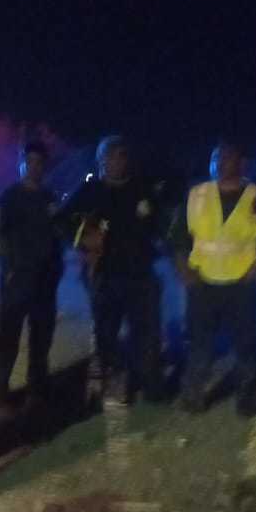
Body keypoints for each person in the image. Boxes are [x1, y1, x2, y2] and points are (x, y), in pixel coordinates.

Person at [168, 139, 256, 416]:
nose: (220, 164)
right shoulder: (197, 195)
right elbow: (176, 238)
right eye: (216, 159)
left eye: (227, 158)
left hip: (241, 284)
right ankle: (193, 398)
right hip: (202, 282)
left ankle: (248, 399)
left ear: (241, 163)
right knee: (199, 344)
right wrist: (184, 272)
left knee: (246, 344)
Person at [56, 136, 165, 405]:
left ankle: (150, 387)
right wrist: (83, 241)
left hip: (141, 274)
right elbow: (60, 221)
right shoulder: (90, 191)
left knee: (147, 333)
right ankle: (116, 388)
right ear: (100, 160)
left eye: (120, 155)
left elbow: (160, 223)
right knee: (107, 337)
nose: (116, 161)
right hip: (106, 275)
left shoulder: (141, 188)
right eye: (110, 156)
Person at [0, 141, 64, 408]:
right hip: (17, 279)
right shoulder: (9, 197)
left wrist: (57, 268)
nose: (34, 167)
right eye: (29, 161)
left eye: (39, 162)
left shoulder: (50, 198)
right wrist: (8, 269)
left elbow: (59, 233)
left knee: (41, 336)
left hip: (45, 279)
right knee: (8, 336)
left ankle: (37, 387)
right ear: (21, 164)